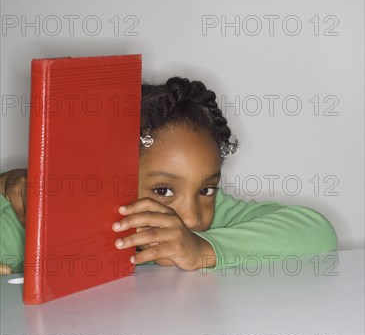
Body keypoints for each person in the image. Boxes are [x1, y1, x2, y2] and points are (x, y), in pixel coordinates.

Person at [0, 76, 338, 274]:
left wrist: (203, 249)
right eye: (163, 190)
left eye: (207, 189)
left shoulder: (209, 221)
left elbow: (316, 232)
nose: (191, 217)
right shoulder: (28, 221)